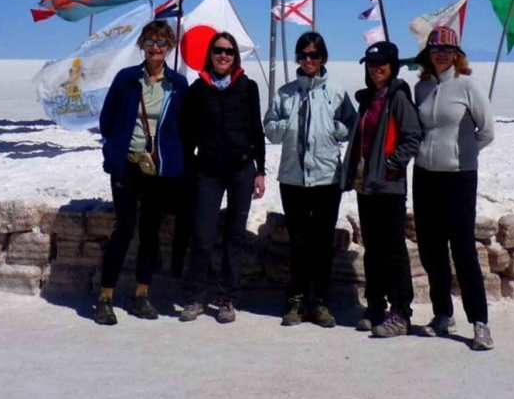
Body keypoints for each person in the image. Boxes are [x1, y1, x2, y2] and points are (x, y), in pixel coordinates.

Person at [93, 20, 190, 326]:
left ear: (169, 47)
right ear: (142, 46)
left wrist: (176, 160)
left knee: (150, 233)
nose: (155, 49)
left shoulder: (177, 84)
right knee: (123, 230)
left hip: (158, 170)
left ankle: (141, 295)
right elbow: (107, 119)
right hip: (128, 166)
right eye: (150, 42)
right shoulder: (126, 79)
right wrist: (114, 150)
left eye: (162, 43)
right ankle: (105, 298)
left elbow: (183, 127)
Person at [264, 32, 358, 328]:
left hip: (327, 177)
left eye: (314, 55)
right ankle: (297, 299)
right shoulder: (285, 92)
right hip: (293, 178)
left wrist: (333, 130)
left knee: (321, 242)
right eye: (303, 55)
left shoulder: (336, 91)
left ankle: (320, 301)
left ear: (323, 58)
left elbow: (352, 125)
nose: (308, 60)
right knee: (299, 243)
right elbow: (269, 126)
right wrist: (286, 126)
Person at [412, 27, 496, 352]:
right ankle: (442, 313)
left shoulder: (467, 87)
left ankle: (480, 322)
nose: (441, 55)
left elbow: (486, 131)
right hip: (424, 176)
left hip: (459, 177)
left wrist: (463, 154)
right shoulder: (421, 88)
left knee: (462, 250)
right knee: (431, 249)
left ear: (457, 54)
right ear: (428, 55)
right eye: (436, 50)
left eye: (448, 50)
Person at [177, 31, 266, 324]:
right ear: (210, 54)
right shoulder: (198, 89)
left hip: (241, 169)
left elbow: (256, 129)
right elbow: (187, 132)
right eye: (218, 50)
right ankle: (194, 296)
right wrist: (190, 165)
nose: (223, 55)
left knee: (235, 236)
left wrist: (261, 170)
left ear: (235, 55)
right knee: (202, 234)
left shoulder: (246, 87)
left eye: (228, 51)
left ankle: (228, 298)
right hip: (209, 171)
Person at [340, 41, 422, 338]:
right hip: (367, 184)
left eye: (381, 64)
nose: (375, 69)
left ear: (393, 66)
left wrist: (391, 164)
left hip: (388, 185)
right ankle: (375, 305)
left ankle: (401, 312)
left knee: (393, 250)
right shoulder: (370, 98)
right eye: (371, 64)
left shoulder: (398, 97)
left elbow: (413, 136)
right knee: (373, 248)